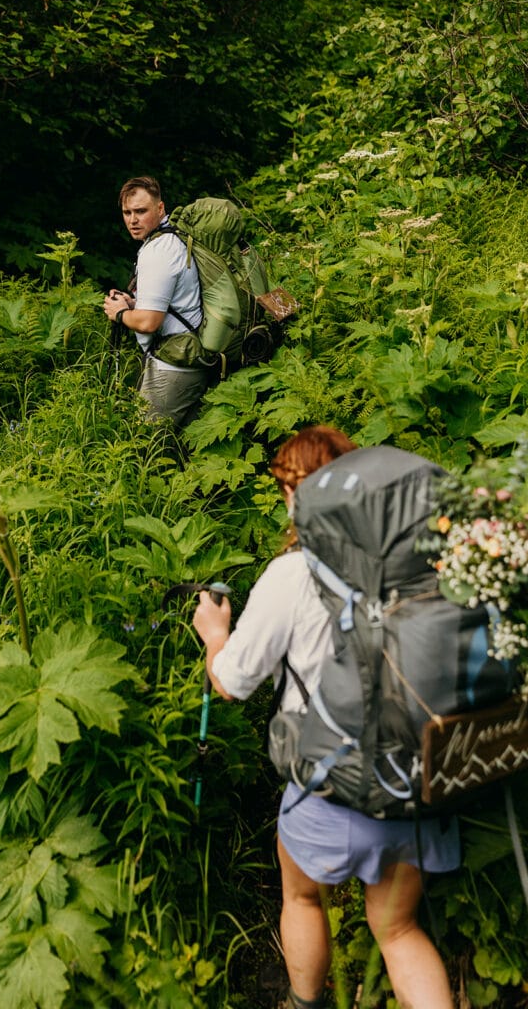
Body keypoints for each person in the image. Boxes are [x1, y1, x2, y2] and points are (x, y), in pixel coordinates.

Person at [193, 426, 460, 1009]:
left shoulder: (292, 575)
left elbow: (232, 683)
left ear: (294, 497)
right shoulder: (423, 560)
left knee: (303, 898)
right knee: (399, 930)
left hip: (329, 784)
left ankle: (303, 1002)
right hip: (418, 776)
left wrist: (216, 635)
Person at [103, 175, 211, 427]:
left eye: (141, 211)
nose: (133, 220)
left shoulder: (159, 251)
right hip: (188, 359)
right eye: (127, 212)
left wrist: (119, 314)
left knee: (146, 444)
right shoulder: (170, 240)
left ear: (160, 208)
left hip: (173, 368)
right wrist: (133, 304)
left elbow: (150, 322)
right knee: (182, 445)